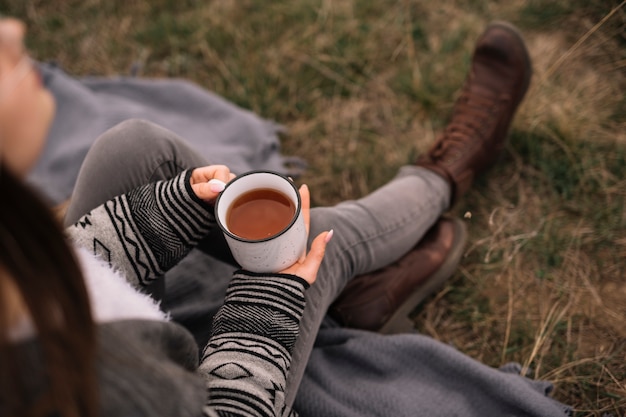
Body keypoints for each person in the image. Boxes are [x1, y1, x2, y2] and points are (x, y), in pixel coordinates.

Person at [0, 15, 572, 417]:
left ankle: (344, 280)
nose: (12, 30)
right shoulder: (88, 389)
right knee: (319, 241)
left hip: (95, 325)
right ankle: (448, 170)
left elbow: (70, 269)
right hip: (169, 379)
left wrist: (165, 210)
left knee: (134, 148)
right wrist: (267, 297)